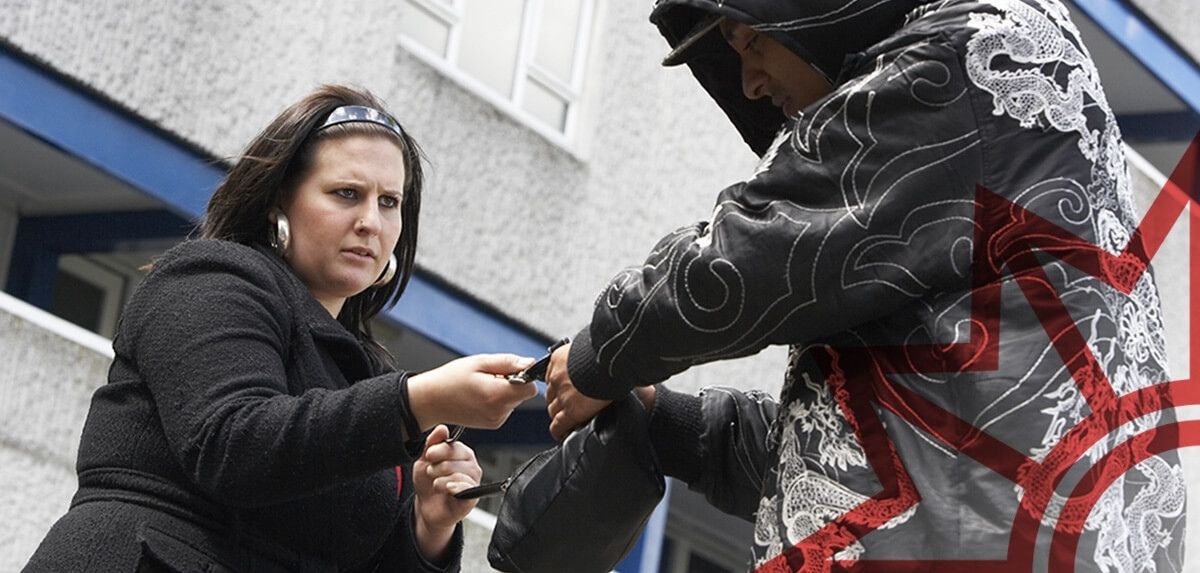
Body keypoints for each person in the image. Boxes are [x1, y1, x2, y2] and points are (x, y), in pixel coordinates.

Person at [545, 0, 1184, 570]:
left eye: (750, 43)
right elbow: (880, 460)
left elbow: (744, 260)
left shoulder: (967, 54)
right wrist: (672, 423)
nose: (749, 82)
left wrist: (600, 356)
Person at [25, 85, 539, 572]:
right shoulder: (209, 277)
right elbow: (233, 445)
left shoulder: (362, 375)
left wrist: (429, 524)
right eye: (346, 193)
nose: (371, 222)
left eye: (389, 202)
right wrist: (415, 402)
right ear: (278, 202)